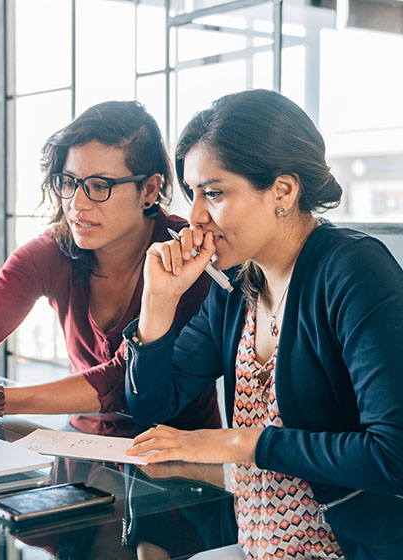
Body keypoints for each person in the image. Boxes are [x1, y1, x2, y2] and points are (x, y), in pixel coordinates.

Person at [122, 89, 403, 558]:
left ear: (283, 191)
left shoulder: (354, 271)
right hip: (256, 547)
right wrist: (158, 302)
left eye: (214, 193)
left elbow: (391, 456)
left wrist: (239, 442)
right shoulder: (237, 285)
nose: (194, 218)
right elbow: (152, 404)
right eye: (192, 193)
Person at [0, 100, 220, 441]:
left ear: (149, 189)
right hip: (81, 444)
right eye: (68, 182)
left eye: (99, 186)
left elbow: (121, 382)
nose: (76, 203)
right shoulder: (57, 248)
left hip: (178, 464)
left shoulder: (187, 258)